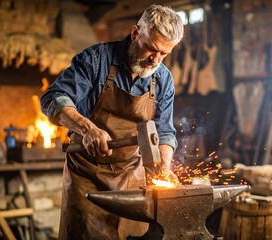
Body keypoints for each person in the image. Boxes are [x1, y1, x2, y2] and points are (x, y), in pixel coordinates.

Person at [40, 4, 184, 239]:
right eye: (150, 49)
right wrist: (87, 128)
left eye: (164, 54)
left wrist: (164, 168)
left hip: (132, 176)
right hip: (87, 175)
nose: (155, 60)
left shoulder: (163, 78)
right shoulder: (96, 60)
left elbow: (165, 132)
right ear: (136, 32)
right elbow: (53, 98)